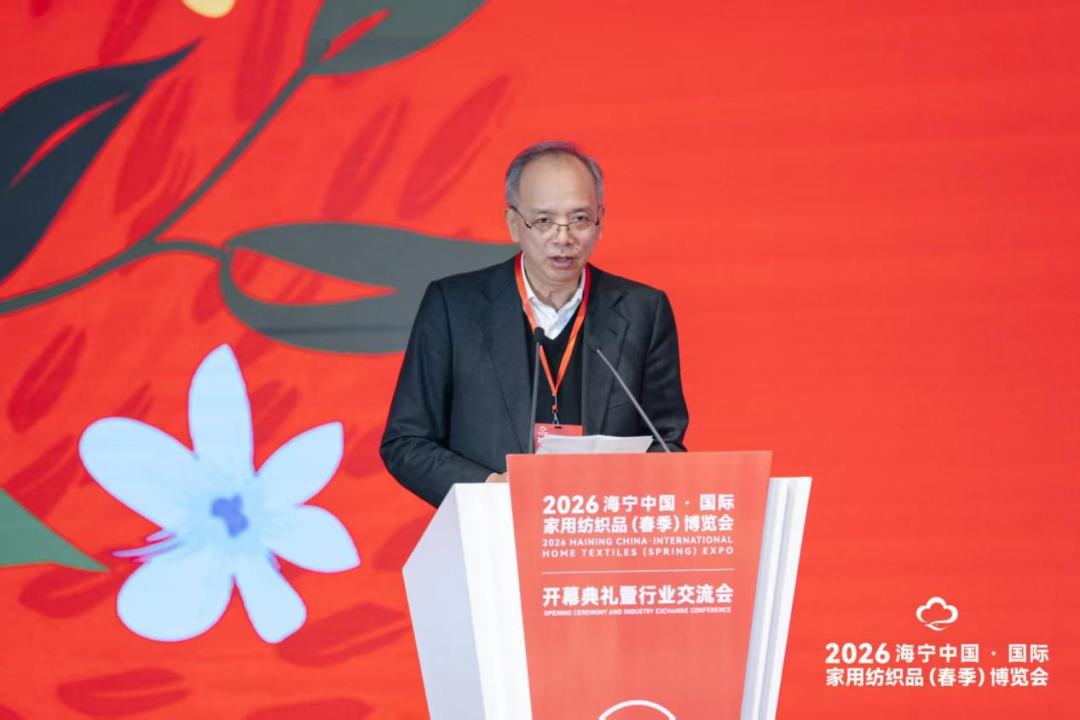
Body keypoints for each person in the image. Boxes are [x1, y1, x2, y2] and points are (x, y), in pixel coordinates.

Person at [380, 141, 688, 506]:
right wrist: (490, 489)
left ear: (600, 221)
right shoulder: (453, 307)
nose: (563, 237)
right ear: (514, 224)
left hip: (600, 528)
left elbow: (665, 443)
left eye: (579, 218)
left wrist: (612, 495)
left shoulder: (642, 311)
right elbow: (406, 441)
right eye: (543, 221)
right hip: (491, 528)